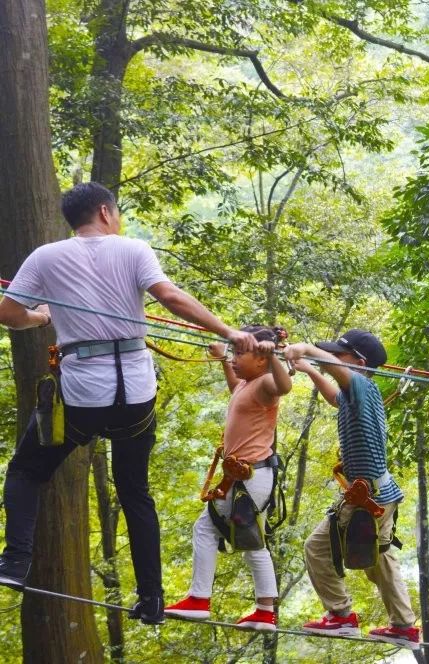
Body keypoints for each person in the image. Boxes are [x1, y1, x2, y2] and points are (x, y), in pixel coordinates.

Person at [0, 182, 257, 625]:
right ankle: (152, 598)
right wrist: (228, 332)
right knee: (135, 491)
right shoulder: (134, 250)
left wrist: (42, 316)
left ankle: (14, 563)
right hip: (135, 396)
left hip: (82, 398)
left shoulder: (45, 257)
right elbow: (171, 298)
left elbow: (7, 313)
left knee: (26, 471)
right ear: (105, 211)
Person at [283, 330, 419, 649]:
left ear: (358, 364)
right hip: (376, 494)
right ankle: (404, 626)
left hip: (366, 497)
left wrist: (306, 349)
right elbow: (334, 397)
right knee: (379, 559)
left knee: (317, 548)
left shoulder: (363, 386)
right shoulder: (354, 394)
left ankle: (342, 616)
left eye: (339, 357)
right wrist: (310, 369)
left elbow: (339, 374)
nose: (334, 361)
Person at [164, 326, 292, 631]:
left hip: (251, 476)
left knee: (210, 528)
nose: (234, 359)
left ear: (261, 359)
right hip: (243, 476)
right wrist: (223, 359)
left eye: (239, 353)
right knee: (250, 539)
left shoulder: (265, 385)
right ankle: (264, 610)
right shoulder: (246, 384)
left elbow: (284, 385)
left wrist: (272, 355)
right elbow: (235, 384)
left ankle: (199, 599)